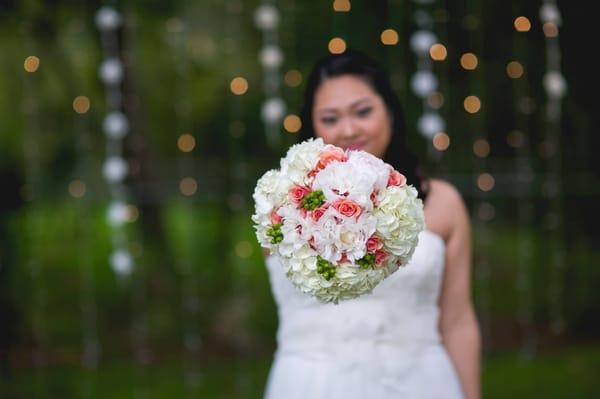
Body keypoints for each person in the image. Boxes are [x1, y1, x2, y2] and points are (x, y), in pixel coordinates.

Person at [263, 49, 481, 399]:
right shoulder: (281, 204)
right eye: (330, 118)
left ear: (390, 111)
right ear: (312, 125)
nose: (349, 129)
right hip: (310, 385)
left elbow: (458, 322)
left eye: (363, 111)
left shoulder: (443, 203)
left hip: (422, 384)